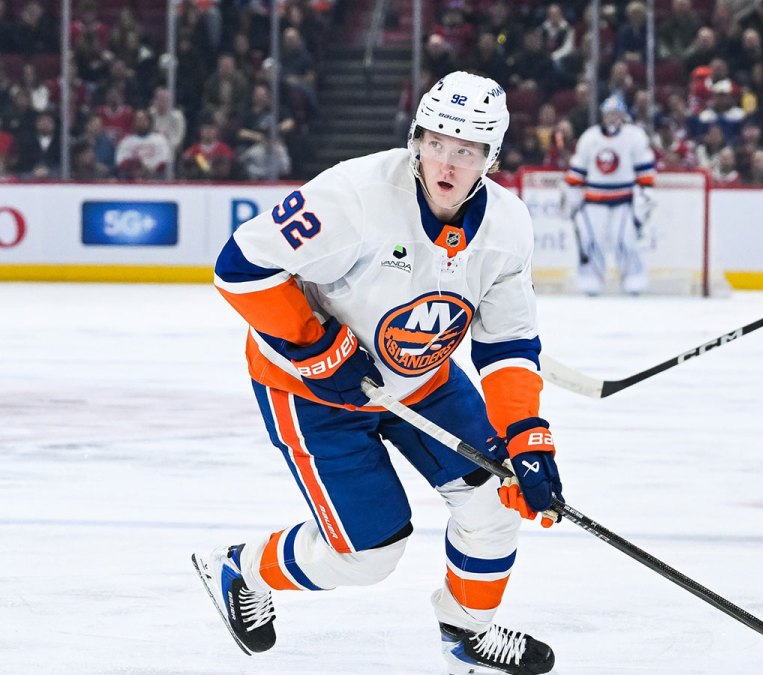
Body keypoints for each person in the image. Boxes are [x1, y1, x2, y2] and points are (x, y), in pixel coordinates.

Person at [193, 71, 563, 675]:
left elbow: (508, 344)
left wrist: (527, 435)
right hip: (312, 393)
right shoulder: (355, 196)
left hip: (424, 380)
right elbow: (240, 266)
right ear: (416, 137)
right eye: (437, 141)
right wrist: (319, 347)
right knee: (369, 556)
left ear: (490, 158)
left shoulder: (507, 227)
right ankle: (243, 566)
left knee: (496, 501)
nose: (447, 161)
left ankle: (467, 633)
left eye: (467, 150)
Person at [564, 95, 656, 295]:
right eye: (609, 113)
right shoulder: (590, 137)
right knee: (591, 240)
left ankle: (634, 279)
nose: (612, 117)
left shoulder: (635, 136)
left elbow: (645, 170)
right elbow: (578, 169)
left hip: (624, 199)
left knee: (624, 239)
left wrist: (644, 196)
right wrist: (572, 196)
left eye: (616, 113)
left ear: (623, 115)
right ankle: (590, 280)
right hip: (594, 198)